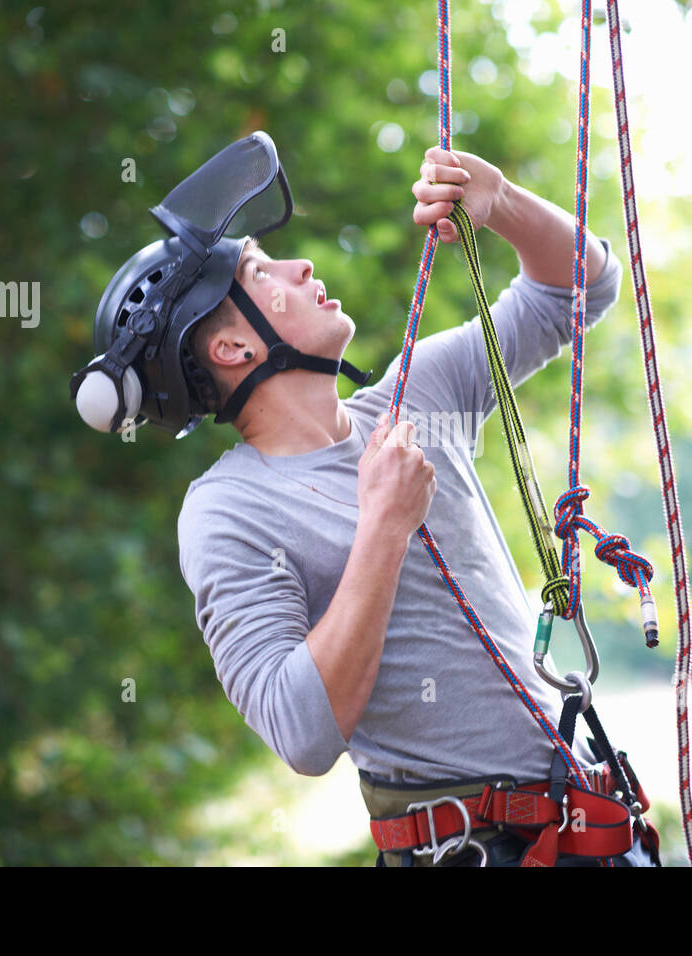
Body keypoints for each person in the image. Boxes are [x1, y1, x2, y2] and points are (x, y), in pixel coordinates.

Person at [75, 134, 653, 864]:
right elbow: (302, 732)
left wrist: (500, 200)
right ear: (232, 350)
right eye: (261, 271)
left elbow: (582, 288)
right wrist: (383, 524)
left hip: (585, 829)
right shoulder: (227, 510)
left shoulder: (423, 391)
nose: (300, 265)